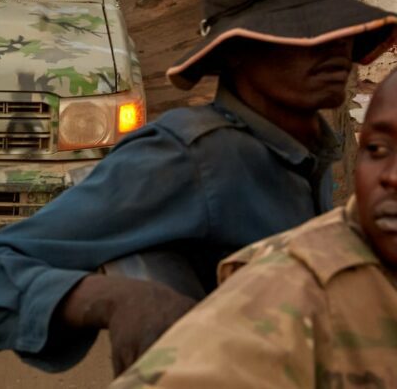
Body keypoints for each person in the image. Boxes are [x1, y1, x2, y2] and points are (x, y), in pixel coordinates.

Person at [0, 0, 397, 375]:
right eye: (304, 32)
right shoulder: (192, 157)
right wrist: (116, 299)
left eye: (339, 28)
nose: (336, 46)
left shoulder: (308, 149)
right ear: (235, 52)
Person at [111, 69, 397, 387]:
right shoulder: (293, 292)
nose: (391, 176)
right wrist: (115, 299)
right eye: (378, 149)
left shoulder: (313, 148)